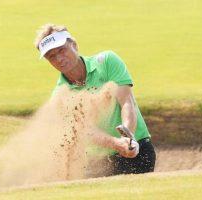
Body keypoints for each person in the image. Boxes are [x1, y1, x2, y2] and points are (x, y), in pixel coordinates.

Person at [34, 24, 156, 174]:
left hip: (139, 149)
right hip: (101, 162)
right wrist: (117, 144)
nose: (59, 58)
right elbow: (85, 130)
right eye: (51, 56)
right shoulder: (60, 96)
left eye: (62, 50)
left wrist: (128, 138)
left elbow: (126, 101)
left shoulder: (107, 61)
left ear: (74, 45)